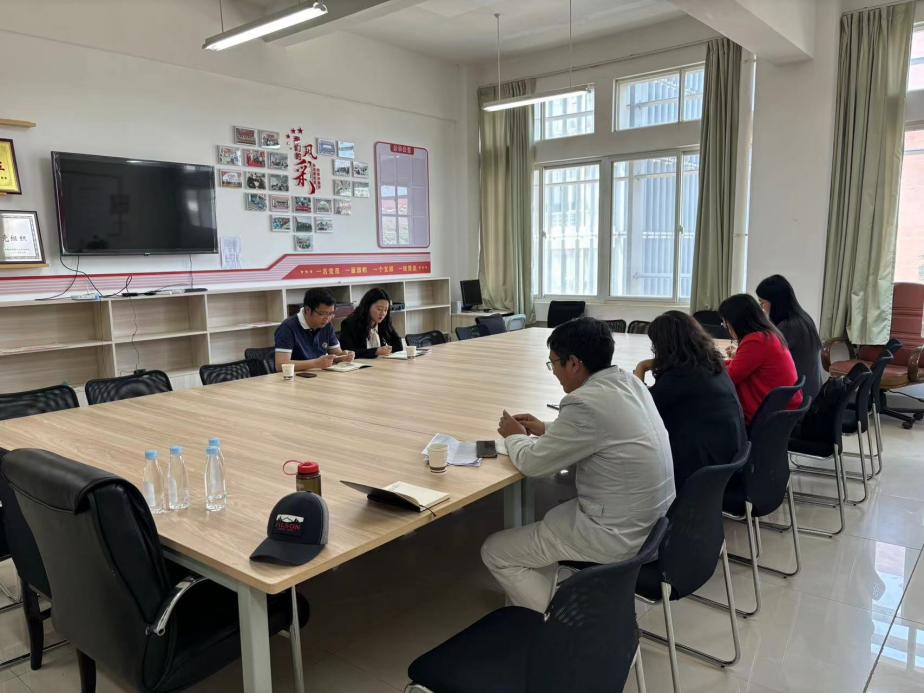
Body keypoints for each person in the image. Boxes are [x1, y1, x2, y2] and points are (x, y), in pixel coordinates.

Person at [482, 317, 675, 613]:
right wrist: (546, 428)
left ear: (574, 363)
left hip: (618, 535)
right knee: (549, 519)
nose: (554, 373)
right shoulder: (629, 382)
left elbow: (533, 464)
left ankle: (565, 624)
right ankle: (547, 599)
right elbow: (603, 431)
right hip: (655, 524)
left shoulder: (585, 402)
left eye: (554, 363)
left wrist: (514, 436)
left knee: (495, 551)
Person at [634, 311, 746, 492]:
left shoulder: (681, 376)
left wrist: (641, 368)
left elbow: (641, 410)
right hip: (728, 462)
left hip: (703, 474)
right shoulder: (710, 364)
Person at [719, 294, 804, 425]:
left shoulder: (756, 340)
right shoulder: (768, 334)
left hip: (767, 416)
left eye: (726, 324)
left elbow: (729, 377)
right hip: (780, 410)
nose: (727, 329)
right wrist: (715, 363)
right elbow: (739, 364)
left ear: (736, 322)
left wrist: (705, 368)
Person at [755, 275, 824, 402]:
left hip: (800, 398)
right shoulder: (803, 318)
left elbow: (763, 360)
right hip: (812, 393)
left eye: (762, 303)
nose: (762, 309)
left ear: (776, 302)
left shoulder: (788, 326)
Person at [274, 288, 355, 372]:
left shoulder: (327, 325)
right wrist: (315, 363)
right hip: (296, 376)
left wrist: (344, 356)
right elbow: (280, 365)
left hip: (320, 374)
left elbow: (336, 353)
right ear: (308, 310)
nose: (327, 318)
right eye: (322, 314)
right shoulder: (287, 328)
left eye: (331, 313)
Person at [338, 288, 404, 359]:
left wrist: (387, 349)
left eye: (385, 310)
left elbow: (398, 346)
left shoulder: (383, 322)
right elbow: (349, 353)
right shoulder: (349, 324)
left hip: (380, 363)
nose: (382, 313)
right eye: (379, 309)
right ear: (368, 306)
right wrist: (375, 351)